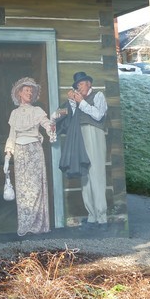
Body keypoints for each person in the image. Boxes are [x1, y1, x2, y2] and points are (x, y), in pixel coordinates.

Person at [53, 71, 108, 228]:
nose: (79, 87)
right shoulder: (77, 100)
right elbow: (70, 116)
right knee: (84, 173)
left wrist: (82, 102)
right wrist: (72, 103)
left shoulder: (98, 96)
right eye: (77, 85)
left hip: (94, 133)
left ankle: (102, 217)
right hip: (80, 134)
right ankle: (91, 215)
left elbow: (98, 115)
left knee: (97, 174)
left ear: (89, 83)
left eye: (82, 83)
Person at [4, 77, 56, 237]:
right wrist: (7, 155)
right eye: (26, 90)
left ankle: (38, 226)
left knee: (35, 188)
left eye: (31, 91)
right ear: (19, 93)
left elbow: (46, 123)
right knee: (23, 190)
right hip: (19, 153)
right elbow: (12, 135)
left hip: (34, 151)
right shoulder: (14, 113)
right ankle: (25, 225)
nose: (29, 93)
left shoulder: (37, 111)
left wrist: (50, 127)